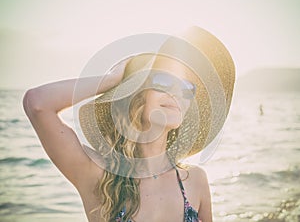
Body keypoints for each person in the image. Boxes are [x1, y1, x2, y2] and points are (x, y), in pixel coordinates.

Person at [23, 26, 235, 222]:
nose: (176, 92)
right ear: (138, 96)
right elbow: (37, 104)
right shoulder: (99, 176)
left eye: (187, 87)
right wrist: (111, 80)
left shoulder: (196, 180)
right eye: (163, 81)